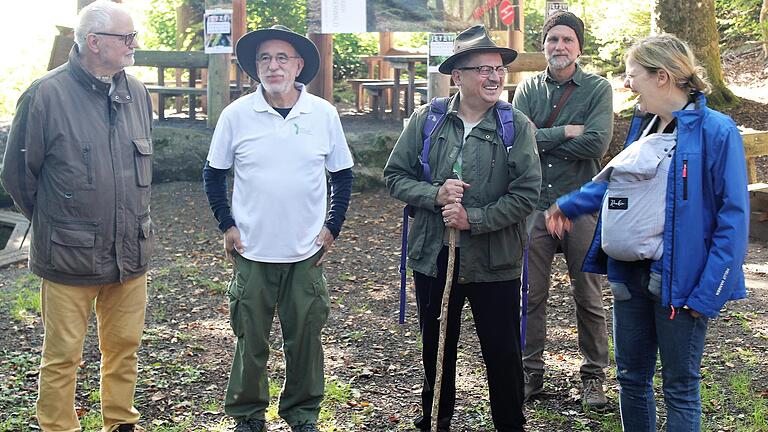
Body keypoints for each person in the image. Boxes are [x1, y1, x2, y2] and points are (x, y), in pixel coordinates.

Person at [546, 34, 749, 431]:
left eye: (632, 74)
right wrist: (570, 205)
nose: (626, 82)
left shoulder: (716, 131)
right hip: (629, 277)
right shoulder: (646, 126)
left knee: (679, 385)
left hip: (681, 285)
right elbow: (620, 181)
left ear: (662, 77)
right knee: (632, 380)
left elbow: (733, 219)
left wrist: (707, 293)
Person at [0, 2, 153, 431]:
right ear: (94, 42)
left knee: (125, 347)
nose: (134, 44)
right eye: (127, 37)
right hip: (68, 259)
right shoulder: (44, 95)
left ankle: (121, 422)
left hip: (130, 253)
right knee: (62, 356)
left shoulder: (136, 92)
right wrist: (59, 224)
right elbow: (18, 177)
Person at [384, 25, 541, 432]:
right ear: (457, 76)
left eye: (499, 69)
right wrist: (435, 195)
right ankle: (435, 423)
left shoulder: (516, 125)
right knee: (437, 352)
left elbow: (527, 194)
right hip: (435, 258)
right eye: (483, 69)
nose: (494, 77)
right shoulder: (428, 119)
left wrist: (476, 219)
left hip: (496, 260)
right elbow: (395, 176)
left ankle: (510, 426)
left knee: (503, 355)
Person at [202, 25, 354, 432]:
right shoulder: (236, 115)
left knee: (305, 338)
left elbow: (342, 176)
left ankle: (302, 413)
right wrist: (227, 225)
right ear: (255, 68)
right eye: (265, 59)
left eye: (282, 58)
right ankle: (248, 415)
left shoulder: (323, 113)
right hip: (251, 249)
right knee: (250, 340)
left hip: (306, 250)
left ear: (299, 65)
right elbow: (214, 174)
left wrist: (332, 226)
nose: (273, 66)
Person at [511, 11, 613, 408]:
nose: (560, 47)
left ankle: (593, 378)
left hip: (580, 203)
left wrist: (543, 136)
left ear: (579, 47)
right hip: (533, 205)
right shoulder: (527, 90)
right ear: (543, 44)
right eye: (553, 39)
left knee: (587, 295)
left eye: (568, 40)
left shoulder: (598, 89)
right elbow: (521, 144)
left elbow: (596, 145)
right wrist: (567, 130)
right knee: (529, 295)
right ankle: (528, 374)